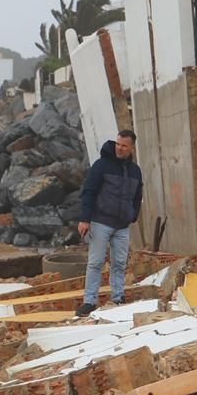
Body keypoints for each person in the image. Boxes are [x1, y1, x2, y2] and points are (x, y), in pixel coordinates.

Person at [75, 129, 143, 318]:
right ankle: (89, 301)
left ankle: (118, 297)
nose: (119, 148)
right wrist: (85, 218)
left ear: (131, 148)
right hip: (100, 222)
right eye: (118, 144)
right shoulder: (101, 165)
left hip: (122, 226)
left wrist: (133, 215)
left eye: (124, 145)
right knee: (95, 262)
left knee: (120, 263)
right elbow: (89, 191)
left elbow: (138, 195)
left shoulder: (135, 171)